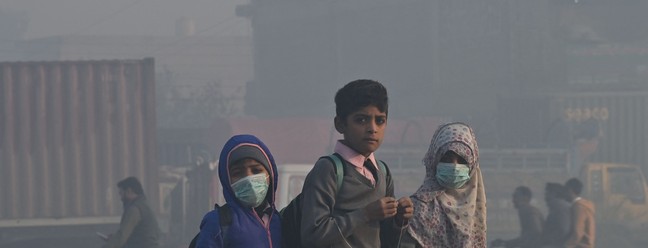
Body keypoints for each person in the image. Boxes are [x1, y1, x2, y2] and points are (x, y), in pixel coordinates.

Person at [300, 79, 414, 248]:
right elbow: (313, 235)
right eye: (361, 120)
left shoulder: (383, 172)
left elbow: (386, 240)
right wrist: (364, 214)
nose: (372, 128)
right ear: (340, 124)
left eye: (380, 121)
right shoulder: (329, 170)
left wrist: (399, 221)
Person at [399, 122, 487, 248]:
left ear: (472, 166)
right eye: (447, 158)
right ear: (435, 160)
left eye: (462, 160)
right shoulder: (416, 209)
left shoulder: (475, 208)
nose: (455, 166)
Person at [195, 134, 281, 248]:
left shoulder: (279, 221)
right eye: (237, 173)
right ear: (227, 180)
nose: (248, 179)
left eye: (256, 170)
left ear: (270, 175)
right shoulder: (218, 223)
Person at [103, 176, 160, 248]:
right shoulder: (144, 206)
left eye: (121, 194)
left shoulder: (135, 209)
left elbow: (122, 236)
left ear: (129, 191)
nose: (121, 198)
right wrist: (114, 238)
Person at [563, 178, 595, 248]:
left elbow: (578, 232)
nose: (564, 194)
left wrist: (567, 245)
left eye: (565, 190)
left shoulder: (578, 207)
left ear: (570, 190)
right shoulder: (585, 205)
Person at [540, 183, 571, 248]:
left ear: (553, 193)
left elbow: (563, 230)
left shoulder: (559, 207)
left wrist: (548, 240)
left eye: (547, 193)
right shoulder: (559, 207)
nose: (545, 196)